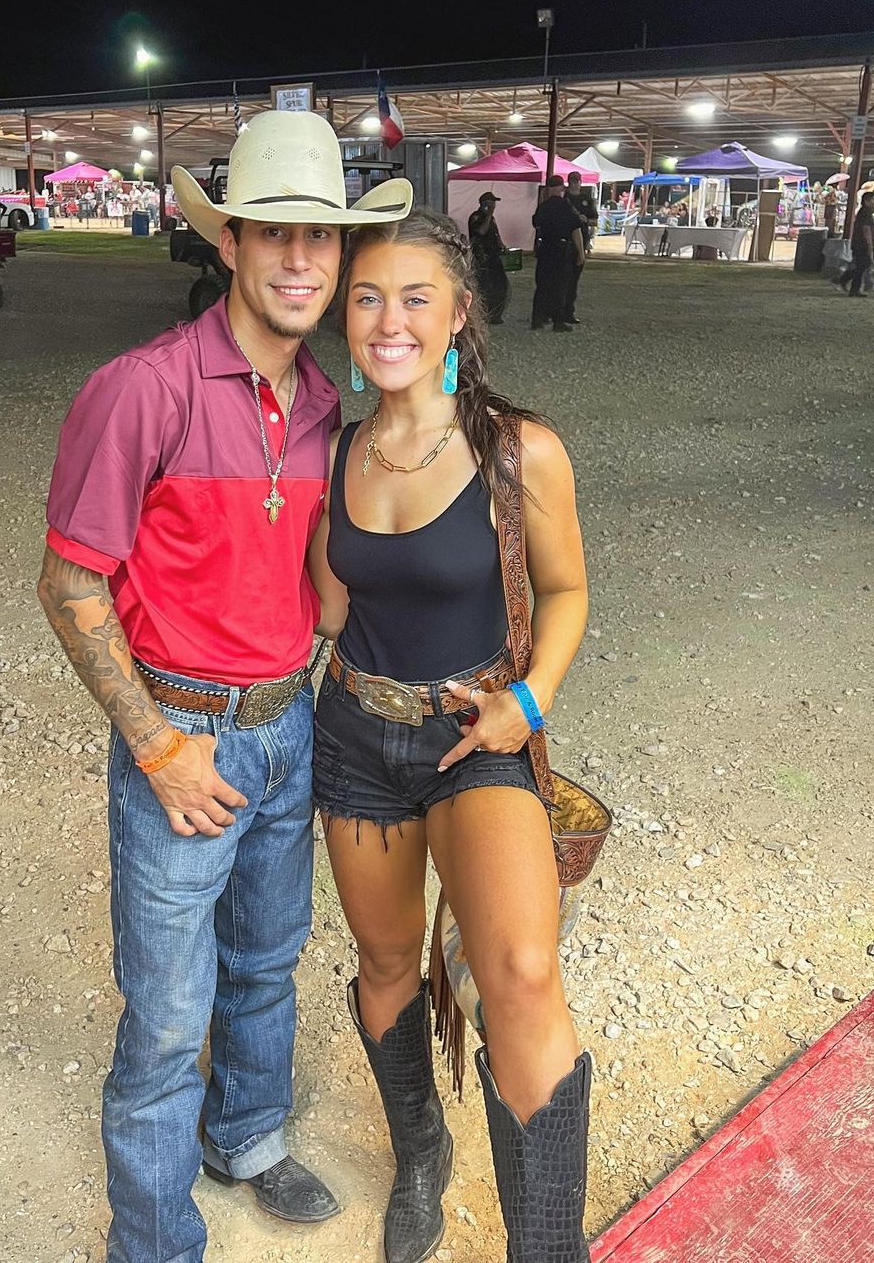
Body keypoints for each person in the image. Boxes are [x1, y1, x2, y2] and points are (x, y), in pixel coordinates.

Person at [37, 109, 412, 1263]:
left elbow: (321, 591)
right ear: (229, 242)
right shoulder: (141, 389)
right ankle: (153, 1242)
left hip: (286, 723)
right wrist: (157, 746)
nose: (301, 258)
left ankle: (244, 1134)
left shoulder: (322, 406)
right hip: (182, 731)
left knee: (264, 961)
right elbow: (69, 581)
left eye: (322, 236)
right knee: (163, 1020)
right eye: (275, 232)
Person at [308, 206, 593, 1263]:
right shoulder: (337, 451)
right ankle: (422, 1152)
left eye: (415, 298)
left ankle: (547, 1246)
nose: (389, 321)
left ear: (460, 312)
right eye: (367, 298)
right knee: (386, 961)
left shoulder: (520, 449)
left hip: (477, 737)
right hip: (356, 738)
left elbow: (566, 591)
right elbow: (329, 611)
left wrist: (531, 699)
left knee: (517, 971)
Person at [531, 175, 585, 331]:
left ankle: (537, 318)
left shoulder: (544, 206)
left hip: (545, 248)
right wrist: (581, 252)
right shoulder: (566, 206)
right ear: (561, 188)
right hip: (561, 250)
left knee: (542, 285)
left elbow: (536, 222)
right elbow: (576, 229)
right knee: (560, 286)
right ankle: (558, 321)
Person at [468, 192, 509, 324]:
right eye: (491, 202)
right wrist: (489, 214)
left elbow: (495, 233)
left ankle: (495, 313)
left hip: (493, 255)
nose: (494, 205)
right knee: (485, 286)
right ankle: (484, 314)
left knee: (500, 284)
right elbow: (481, 231)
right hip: (482, 257)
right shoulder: (476, 217)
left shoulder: (491, 218)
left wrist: (502, 245)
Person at [563, 172, 598, 325]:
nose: (575, 184)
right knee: (561, 278)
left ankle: (568, 311)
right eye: (572, 181)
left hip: (580, 242)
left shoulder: (587, 199)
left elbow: (594, 221)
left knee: (573, 280)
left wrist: (586, 220)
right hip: (564, 241)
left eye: (577, 181)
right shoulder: (564, 198)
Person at [836, 190, 874, 297]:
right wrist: (870, 244)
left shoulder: (865, 212)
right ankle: (848, 284)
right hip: (861, 244)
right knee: (862, 266)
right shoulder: (865, 213)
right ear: (867, 201)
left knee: (861, 266)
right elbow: (866, 229)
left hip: (859, 244)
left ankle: (845, 282)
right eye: (873, 200)